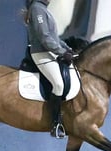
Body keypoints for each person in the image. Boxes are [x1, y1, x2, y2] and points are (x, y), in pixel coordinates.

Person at [25, 0, 74, 139]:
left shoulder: (44, 9)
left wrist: (67, 48)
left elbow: (54, 38)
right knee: (58, 84)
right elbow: (44, 37)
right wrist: (61, 52)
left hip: (49, 51)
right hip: (41, 53)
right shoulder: (37, 8)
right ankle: (55, 123)